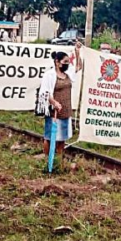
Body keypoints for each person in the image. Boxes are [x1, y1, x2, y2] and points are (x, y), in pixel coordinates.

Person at [37, 41, 83, 169]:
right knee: (50, 137)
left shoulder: (67, 73)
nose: (67, 64)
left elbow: (79, 66)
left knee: (62, 137)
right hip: (54, 111)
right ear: (57, 62)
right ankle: (48, 160)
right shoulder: (49, 75)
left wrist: (77, 52)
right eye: (65, 62)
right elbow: (45, 93)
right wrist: (54, 102)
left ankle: (59, 160)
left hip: (66, 110)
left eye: (68, 62)